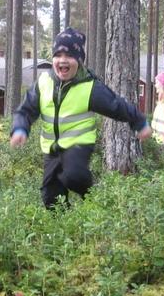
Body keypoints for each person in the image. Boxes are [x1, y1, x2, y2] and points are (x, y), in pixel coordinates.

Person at [10, 28, 152, 208]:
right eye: (58, 55)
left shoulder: (90, 87)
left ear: (79, 60)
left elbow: (117, 105)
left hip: (78, 145)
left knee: (73, 175)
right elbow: (25, 110)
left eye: (69, 55)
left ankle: (95, 201)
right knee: (50, 196)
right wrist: (20, 128)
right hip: (51, 149)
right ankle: (62, 229)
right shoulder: (44, 82)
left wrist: (139, 122)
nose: (62, 60)